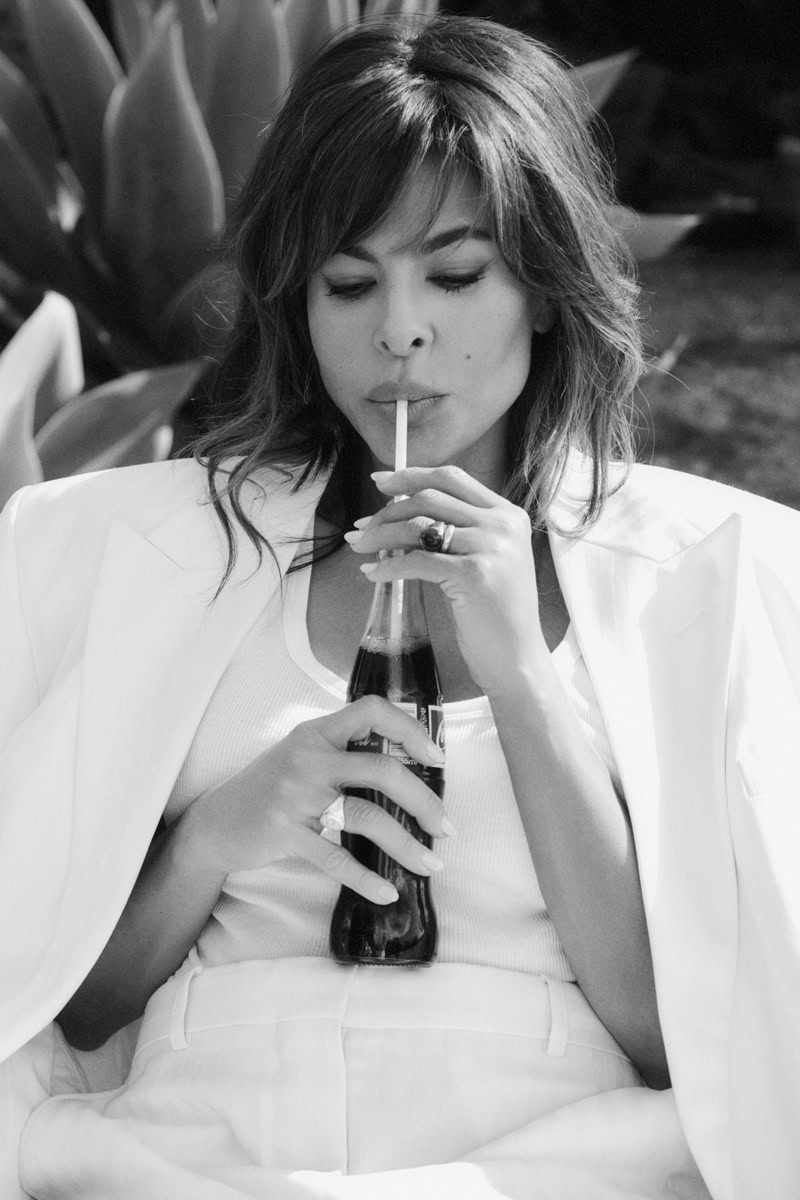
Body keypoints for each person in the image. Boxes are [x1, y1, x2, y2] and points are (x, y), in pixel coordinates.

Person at [1, 14, 798, 1200]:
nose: (399, 331)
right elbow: (71, 1006)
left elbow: (672, 1033)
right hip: (185, 1149)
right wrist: (224, 829)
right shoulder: (127, 553)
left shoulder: (712, 570)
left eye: (457, 274)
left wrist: (522, 676)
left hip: (549, 1156)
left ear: (542, 286)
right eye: (347, 281)